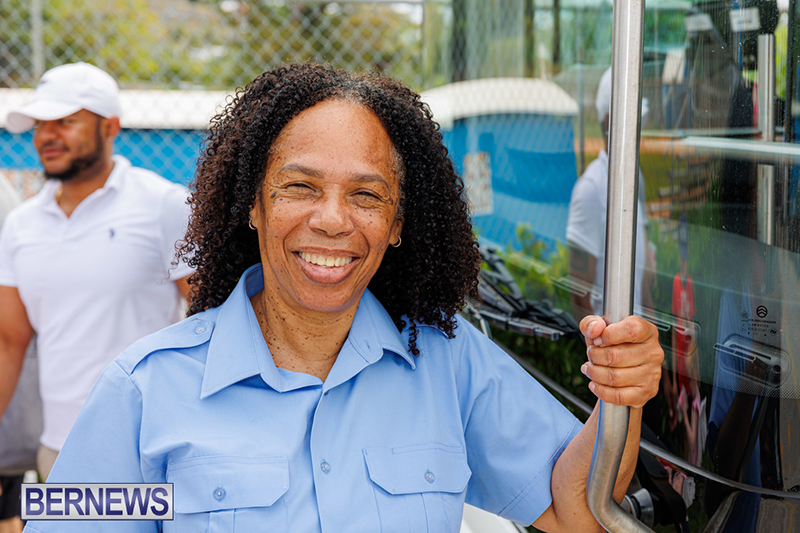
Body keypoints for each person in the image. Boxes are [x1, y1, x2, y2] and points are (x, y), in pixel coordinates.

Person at [24, 63, 663, 533]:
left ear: (398, 223)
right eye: (300, 186)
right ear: (253, 204)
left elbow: (576, 512)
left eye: (366, 195)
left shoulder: (450, 361)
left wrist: (622, 397)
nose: (332, 221)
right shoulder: (140, 390)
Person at [0, 62, 193, 481]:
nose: (46, 136)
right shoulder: (20, 226)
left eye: (65, 121)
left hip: (150, 447)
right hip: (59, 453)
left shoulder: (164, 205)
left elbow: (209, 318)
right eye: (39, 124)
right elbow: (7, 344)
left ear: (110, 127)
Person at [566, 67, 652, 321]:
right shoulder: (591, 190)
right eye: (632, 123)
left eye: (640, 123)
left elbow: (642, 282)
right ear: (607, 123)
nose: (638, 132)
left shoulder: (634, 179)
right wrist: (603, 354)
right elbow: (579, 294)